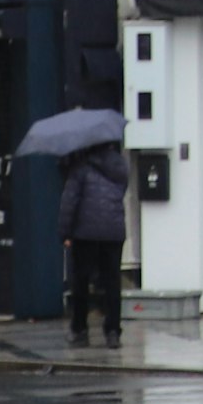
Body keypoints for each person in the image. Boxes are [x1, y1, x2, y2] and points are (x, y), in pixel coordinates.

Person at [60, 134, 131, 347]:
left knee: (81, 282)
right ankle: (112, 332)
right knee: (112, 282)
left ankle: (80, 329)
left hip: (85, 232)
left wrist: (64, 233)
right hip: (113, 231)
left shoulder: (81, 168)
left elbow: (69, 202)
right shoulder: (121, 167)